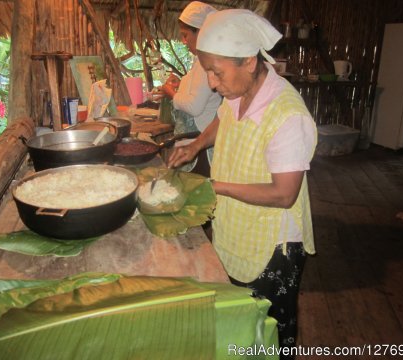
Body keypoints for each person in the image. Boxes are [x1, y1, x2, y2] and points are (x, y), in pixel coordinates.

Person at [168, 9, 317, 359]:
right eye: (208, 71)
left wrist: (216, 187)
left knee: (269, 332)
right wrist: (195, 144)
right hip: (238, 227)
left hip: (272, 246)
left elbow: (284, 194)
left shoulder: (287, 115)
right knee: (239, 324)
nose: (213, 83)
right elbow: (221, 119)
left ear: (249, 62)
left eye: (217, 73)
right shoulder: (238, 92)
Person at [159, 1, 222, 177]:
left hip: (200, 141)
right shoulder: (198, 62)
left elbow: (194, 106)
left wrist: (170, 92)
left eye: (186, 35)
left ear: (201, 33)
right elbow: (200, 91)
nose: (183, 41)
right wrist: (181, 84)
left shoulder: (204, 64)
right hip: (194, 139)